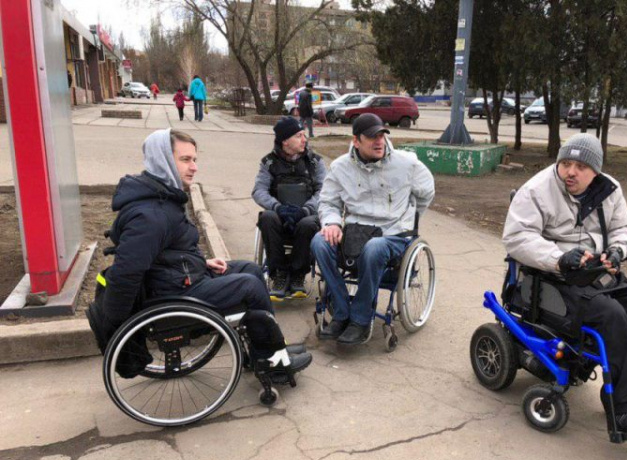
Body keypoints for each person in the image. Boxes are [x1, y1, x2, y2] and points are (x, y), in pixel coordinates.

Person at [502, 133, 627, 434]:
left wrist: (618, 250)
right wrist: (560, 257)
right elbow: (516, 239)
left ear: (596, 171)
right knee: (611, 316)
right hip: (554, 281)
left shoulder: (610, 190)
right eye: (565, 164)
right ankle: (625, 410)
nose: (571, 172)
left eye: (580, 167)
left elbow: (623, 229)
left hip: (602, 277)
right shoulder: (537, 190)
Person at [86, 128, 311, 377]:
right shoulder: (151, 215)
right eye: (185, 160)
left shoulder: (162, 196)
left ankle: (265, 348)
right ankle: (273, 360)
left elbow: (162, 253)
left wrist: (202, 262)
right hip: (173, 294)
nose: (194, 167)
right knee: (250, 286)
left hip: (178, 278)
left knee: (251, 269)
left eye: (194, 159)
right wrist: (116, 330)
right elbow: (127, 272)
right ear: (163, 161)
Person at [310, 113, 435, 345]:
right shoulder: (340, 167)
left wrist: (409, 220)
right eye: (372, 137)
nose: (379, 141)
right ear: (356, 141)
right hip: (355, 232)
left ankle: (359, 319)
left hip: (392, 234)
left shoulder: (407, 163)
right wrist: (332, 223)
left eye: (381, 135)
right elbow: (328, 202)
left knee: (374, 248)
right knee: (319, 241)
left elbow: (426, 193)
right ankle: (341, 312)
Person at [253, 117, 325, 300]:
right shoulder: (269, 162)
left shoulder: (314, 162)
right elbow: (259, 191)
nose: (304, 139)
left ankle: (298, 274)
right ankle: (279, 274)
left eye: (304, 135)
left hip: (306, 215)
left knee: (309, 224)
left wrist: (306, 210)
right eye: (299, 136)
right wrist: (277, 207)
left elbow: (324, 191)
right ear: (285, 141)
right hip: (280, 215)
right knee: (267, 218)